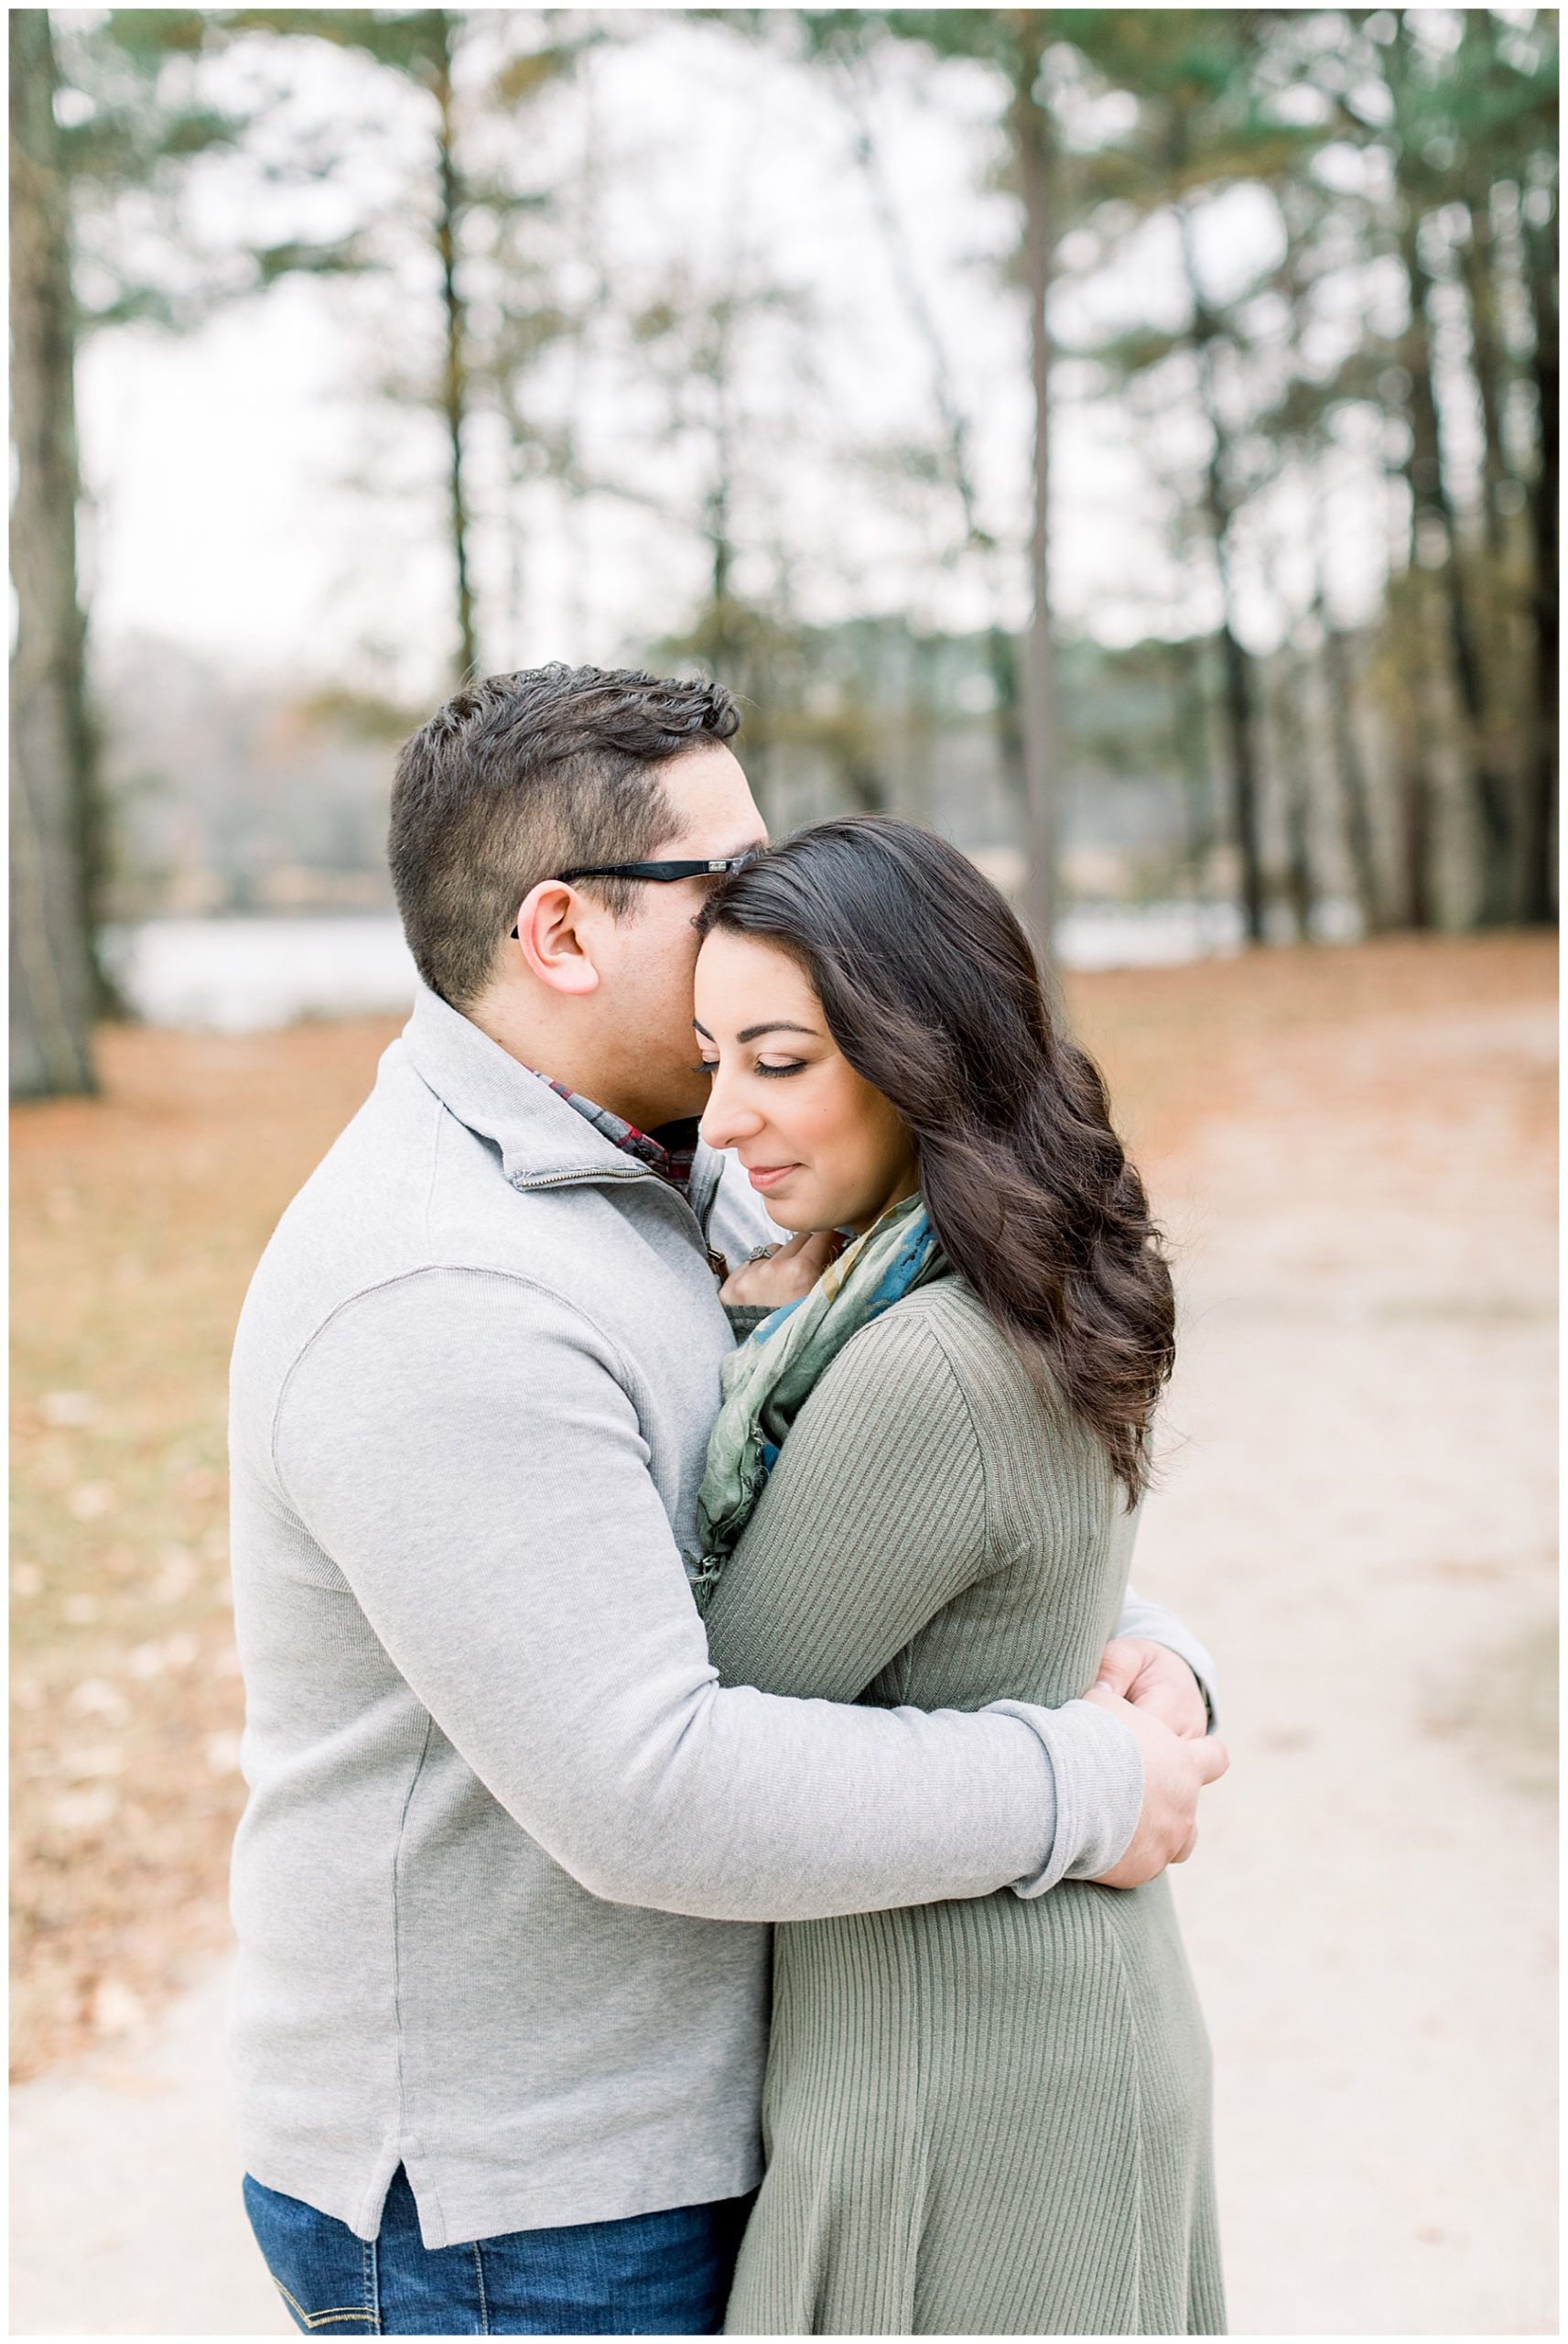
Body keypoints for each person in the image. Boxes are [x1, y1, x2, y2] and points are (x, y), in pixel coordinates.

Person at [227, 664, 1227, 2337]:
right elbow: (650, 1788)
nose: (775, 902)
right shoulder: (438, 1286)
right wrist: (1079, 1781)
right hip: (528, 2206)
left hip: (692, 2125)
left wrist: (1142, 1657)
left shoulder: (676, 1170)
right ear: (563, 934)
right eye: (722, 875)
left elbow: (861, 1514)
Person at [687, 818, 1222, 2335]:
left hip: (964, 2083)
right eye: (712, 1057)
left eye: (778, 1061)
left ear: (918, 1049)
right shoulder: (980, 1273)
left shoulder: (918, 1357)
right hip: (1034, 2021)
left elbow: (714, 1733)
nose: (723, 1118)